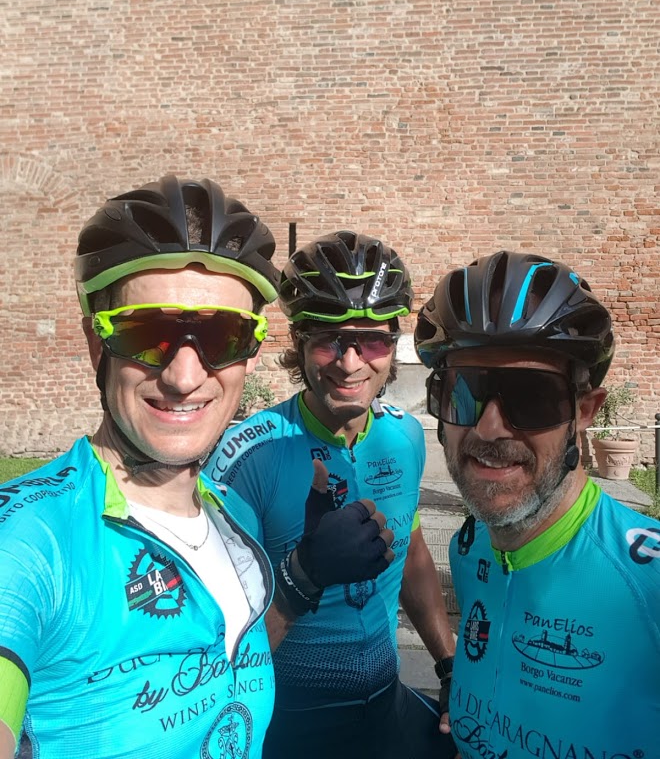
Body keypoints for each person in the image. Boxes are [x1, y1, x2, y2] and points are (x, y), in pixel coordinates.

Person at [0, 178, 393, 759]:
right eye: (146, 333)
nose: (184, 377)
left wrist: (301, 578)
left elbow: (224, 666)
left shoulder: (231, 513)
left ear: (251, 351)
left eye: (222, 335)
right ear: (96, 343)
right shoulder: (30, 538)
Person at [206, 231, 457, 759]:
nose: (349, 363)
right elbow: (211, 644)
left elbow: (411, 554)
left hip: (384, 710)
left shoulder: (406, 436)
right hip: (286, 726)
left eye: (372, 342)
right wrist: (303, 576)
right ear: (298, 344)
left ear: (393, 345)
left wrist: (448, 663)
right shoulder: (247, 458)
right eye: (328, 341)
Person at [414, 249, 660, 759]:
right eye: (464, 393)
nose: (488, 429)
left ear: (585, 411)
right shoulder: (469, 547)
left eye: (531, 397)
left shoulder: (649, 586)